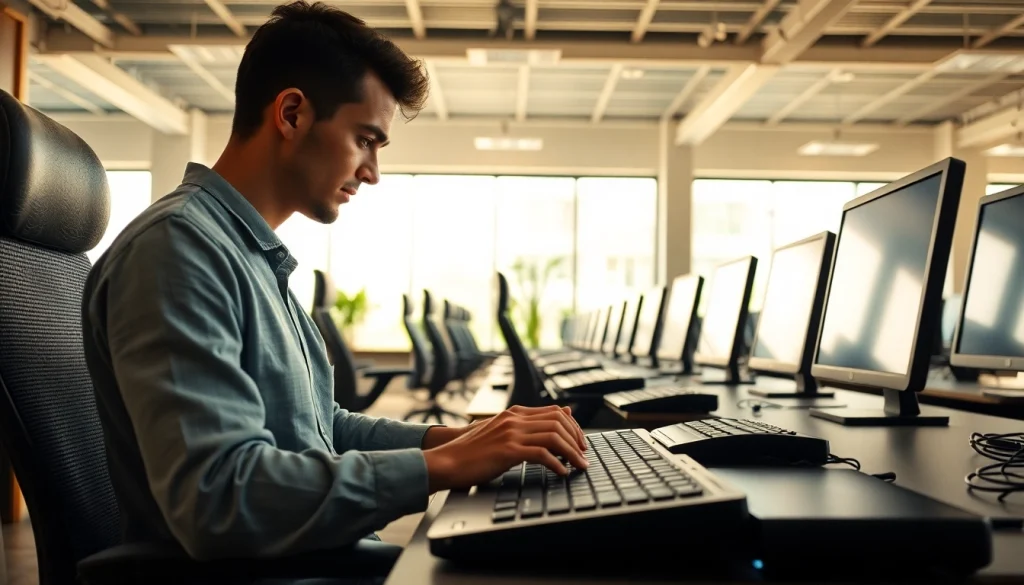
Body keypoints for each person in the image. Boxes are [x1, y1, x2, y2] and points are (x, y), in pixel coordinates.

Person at [81, 0, 587, 562]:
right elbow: (219, 498)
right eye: (366, 139)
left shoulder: (248, 256)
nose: (373, 172)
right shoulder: (177, 251)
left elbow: (321, 430)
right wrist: (442, 466)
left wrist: (466, 441)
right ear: (292, 114)